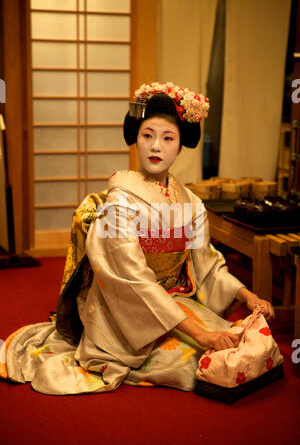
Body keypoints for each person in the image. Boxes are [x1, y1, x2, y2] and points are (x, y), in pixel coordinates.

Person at [1, 82, 274, 395]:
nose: (156, 146)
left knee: (239, 342)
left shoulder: (191, 203)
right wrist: (199, 334)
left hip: (172, 303)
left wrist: (248, 296)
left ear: (180, 145)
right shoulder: (120, 203)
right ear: (136, 140)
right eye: (148, 135)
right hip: (122, 311)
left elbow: (209, 267)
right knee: (193, 362)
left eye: (167, 138)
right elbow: (130, 279)